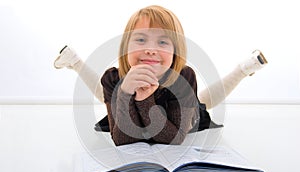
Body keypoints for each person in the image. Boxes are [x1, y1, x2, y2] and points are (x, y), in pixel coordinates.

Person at [54, 5, 268, 146]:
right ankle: (74, 61)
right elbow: (122, 140)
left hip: (183, 117)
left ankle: (243, 69)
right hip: (127, 108)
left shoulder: (184, 76)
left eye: (163, 42)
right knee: (106, 92)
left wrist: (145, 99)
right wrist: (126, 92)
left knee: (203, 101)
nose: (150, 49)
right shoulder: (113, 78)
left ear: (176, 50)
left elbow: (173, 139)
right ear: (125, 47)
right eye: (140, 40)